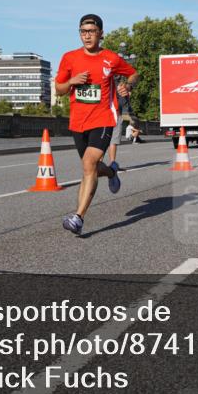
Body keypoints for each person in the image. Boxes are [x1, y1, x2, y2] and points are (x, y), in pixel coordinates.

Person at [55, 14, 138, 236]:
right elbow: (59, 89)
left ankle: (78, 217)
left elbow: (133, 74)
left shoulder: (111, 58)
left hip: (103, 118)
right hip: (78, 122)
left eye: (91, 31)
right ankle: (111, 172)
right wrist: (71, 82)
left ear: (101, 33)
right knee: (89, 167)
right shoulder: (69, 58)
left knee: (89, 164)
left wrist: (127, 87)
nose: (87, 35)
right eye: (83, 31)